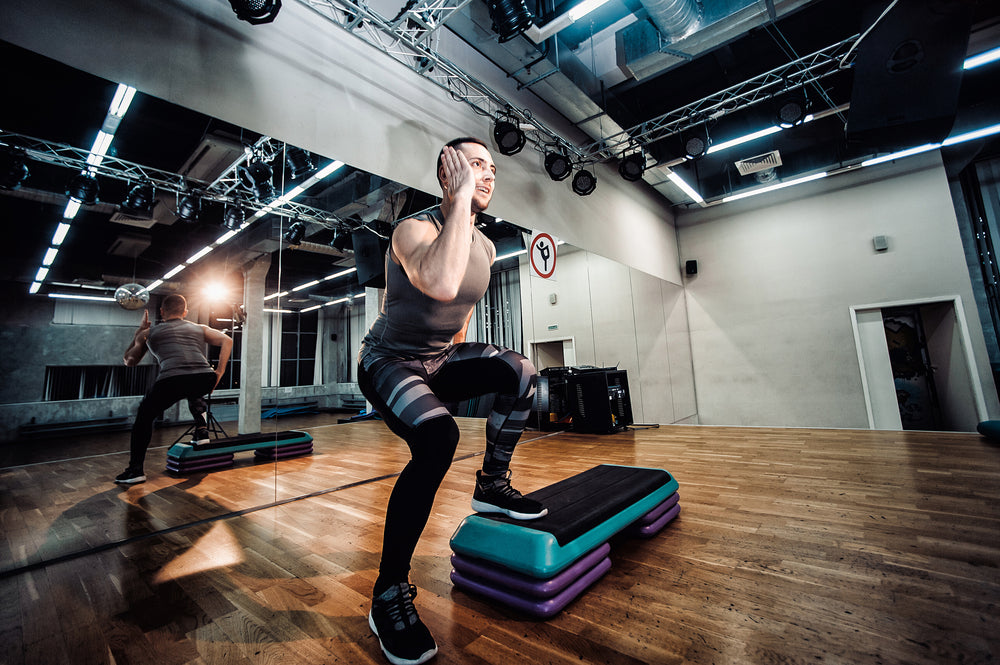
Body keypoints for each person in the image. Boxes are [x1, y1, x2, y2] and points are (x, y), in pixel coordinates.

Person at [357, 137, 546, 665]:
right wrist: (459, 197)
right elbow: (439, 284)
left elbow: (456, 317)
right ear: (449, 173)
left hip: (438, 359)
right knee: (439, 438)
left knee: (521, 373)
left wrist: (454, 362)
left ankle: (491, 485)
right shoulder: (413, 229)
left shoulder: (483, 246)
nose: (487, 175)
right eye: (475, 166)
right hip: (387, 361)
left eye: (492, 168)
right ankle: (389, 592)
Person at [115, 294, 233, 485]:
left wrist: (139, 332)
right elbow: (227, 340)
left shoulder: (149, 332)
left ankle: (135, 470)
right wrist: (219, 372)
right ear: (185, 312)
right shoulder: (198, 327)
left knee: (144, 417)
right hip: (205, 377)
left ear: (162, 312)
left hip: (173, 380)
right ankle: (202, 431)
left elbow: (129, 361)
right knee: (193, 390)